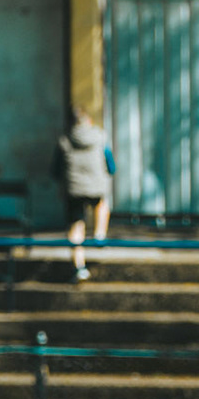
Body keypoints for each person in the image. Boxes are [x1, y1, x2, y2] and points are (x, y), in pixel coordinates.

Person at [56, 106, 115, 282]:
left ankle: (79, 267)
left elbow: (55, 170)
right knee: (101, 205)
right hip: (96, 186)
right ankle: (99, 235)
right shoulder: (100, 137)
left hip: (74, 188)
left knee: (76, 226)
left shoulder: (64, 140)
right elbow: (111, 165)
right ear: (89, 121)